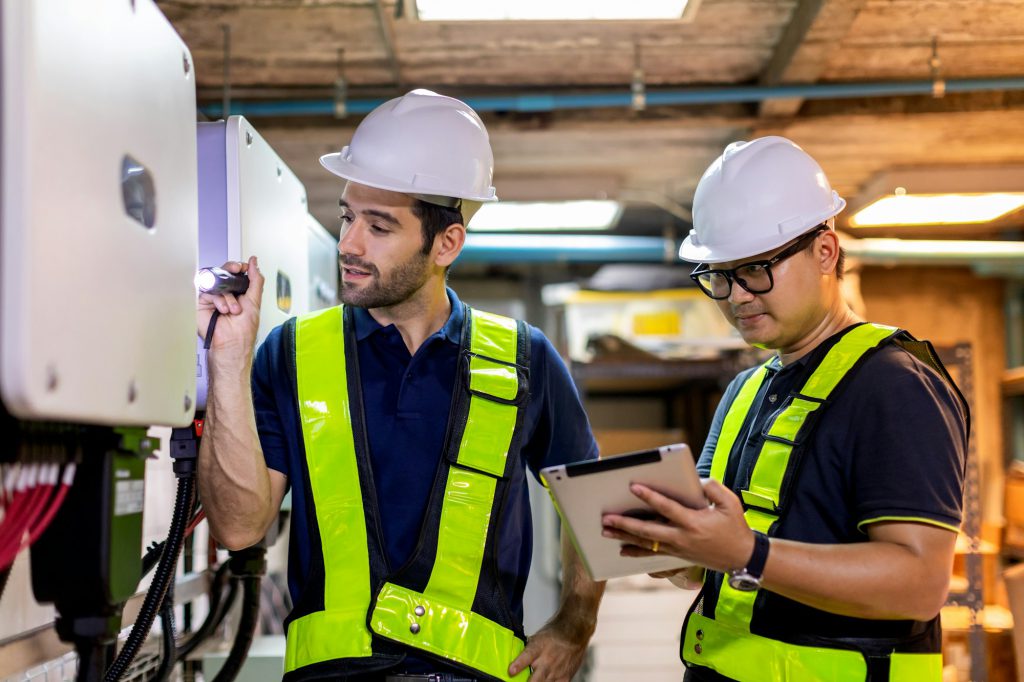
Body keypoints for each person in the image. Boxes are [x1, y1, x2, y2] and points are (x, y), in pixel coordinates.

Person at [197, 89, 604, 682]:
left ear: (447, 243)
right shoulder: (290, 353)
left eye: (379, 226)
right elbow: (238, 527)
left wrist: (576, 624)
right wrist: (228, 363)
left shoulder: (526, 359)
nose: (348, 245)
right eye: (347, 216)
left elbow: (592, 503)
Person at [601, 136, 968, 681]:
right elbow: (717, 563)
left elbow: (919, 584)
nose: (736, 296)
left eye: (755, 269)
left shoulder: (893, 385)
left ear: (825, 251)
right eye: (719, 275)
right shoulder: (746, 389)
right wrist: (679, 549)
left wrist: (749, 553)